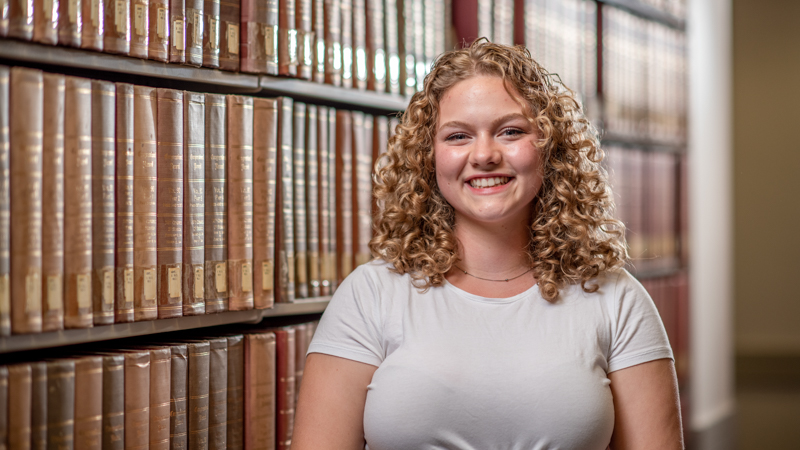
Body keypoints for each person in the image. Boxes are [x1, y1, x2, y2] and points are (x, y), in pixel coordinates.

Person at [292, 40, 683, 450]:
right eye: (458, 136)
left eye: (510, 131)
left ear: (551, 148)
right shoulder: (369, 295)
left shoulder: (616, 300)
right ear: (429, 158)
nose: (484, 155)